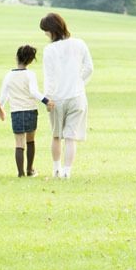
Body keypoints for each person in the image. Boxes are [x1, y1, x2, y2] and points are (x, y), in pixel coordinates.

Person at [39, 12, 94, 179]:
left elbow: (49, 77)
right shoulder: (79, 43)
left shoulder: (49, 49)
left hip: (56, 98)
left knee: (56, 136)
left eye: (46, 31)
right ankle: (67, 172)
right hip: (77, 97)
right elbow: (89, 68)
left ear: (52, 30)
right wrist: (78, 83)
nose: (45, 34)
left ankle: (56, 169)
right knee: (70, 137)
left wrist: (47, 98)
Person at [0, 45, 53, 178]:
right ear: (30, 61)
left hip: (16, 112)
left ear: (16, 57)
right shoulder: (30, 74)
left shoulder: (9, 75)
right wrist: (46, 101)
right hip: (30, 111)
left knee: (19, 143)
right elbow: (34, 92)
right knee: (30, 141)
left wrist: (0, 109)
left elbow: (3, 96)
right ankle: (30, 169)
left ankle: (20, 173)